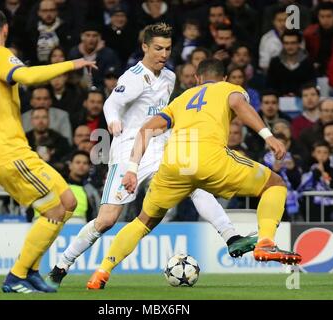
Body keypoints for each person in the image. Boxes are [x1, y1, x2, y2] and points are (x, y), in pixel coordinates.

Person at [46, 23, 258, 290]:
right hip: (128, 149)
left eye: (168, 49)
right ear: (145, 47)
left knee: (194, 182)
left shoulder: (169, 77)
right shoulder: (133, 77)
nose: (163, 54)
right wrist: (112, 121)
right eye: (158, 48)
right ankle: (61, 265)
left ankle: (231, 237)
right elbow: (112, 103)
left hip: (159, 145)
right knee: (107, 219)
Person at [86, 58, 302, 290]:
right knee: (275, 184)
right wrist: (268, 136)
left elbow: (146, 129)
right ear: (225, 78)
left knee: (143, 221)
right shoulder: (228, 89)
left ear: (197, 79)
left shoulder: (181, 99)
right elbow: (239, 103)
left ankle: (101, 272)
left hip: (174, 163)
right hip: (209, 158)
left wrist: (132, 168)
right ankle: (266, 242)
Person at [0, 9, 96, 293]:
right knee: (56, 208)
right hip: (11, 152)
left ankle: (31, 270)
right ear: (5, 29)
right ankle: (16, 276)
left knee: (67, 201)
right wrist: (72, 64)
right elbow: (29, 76)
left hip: (4, 153)